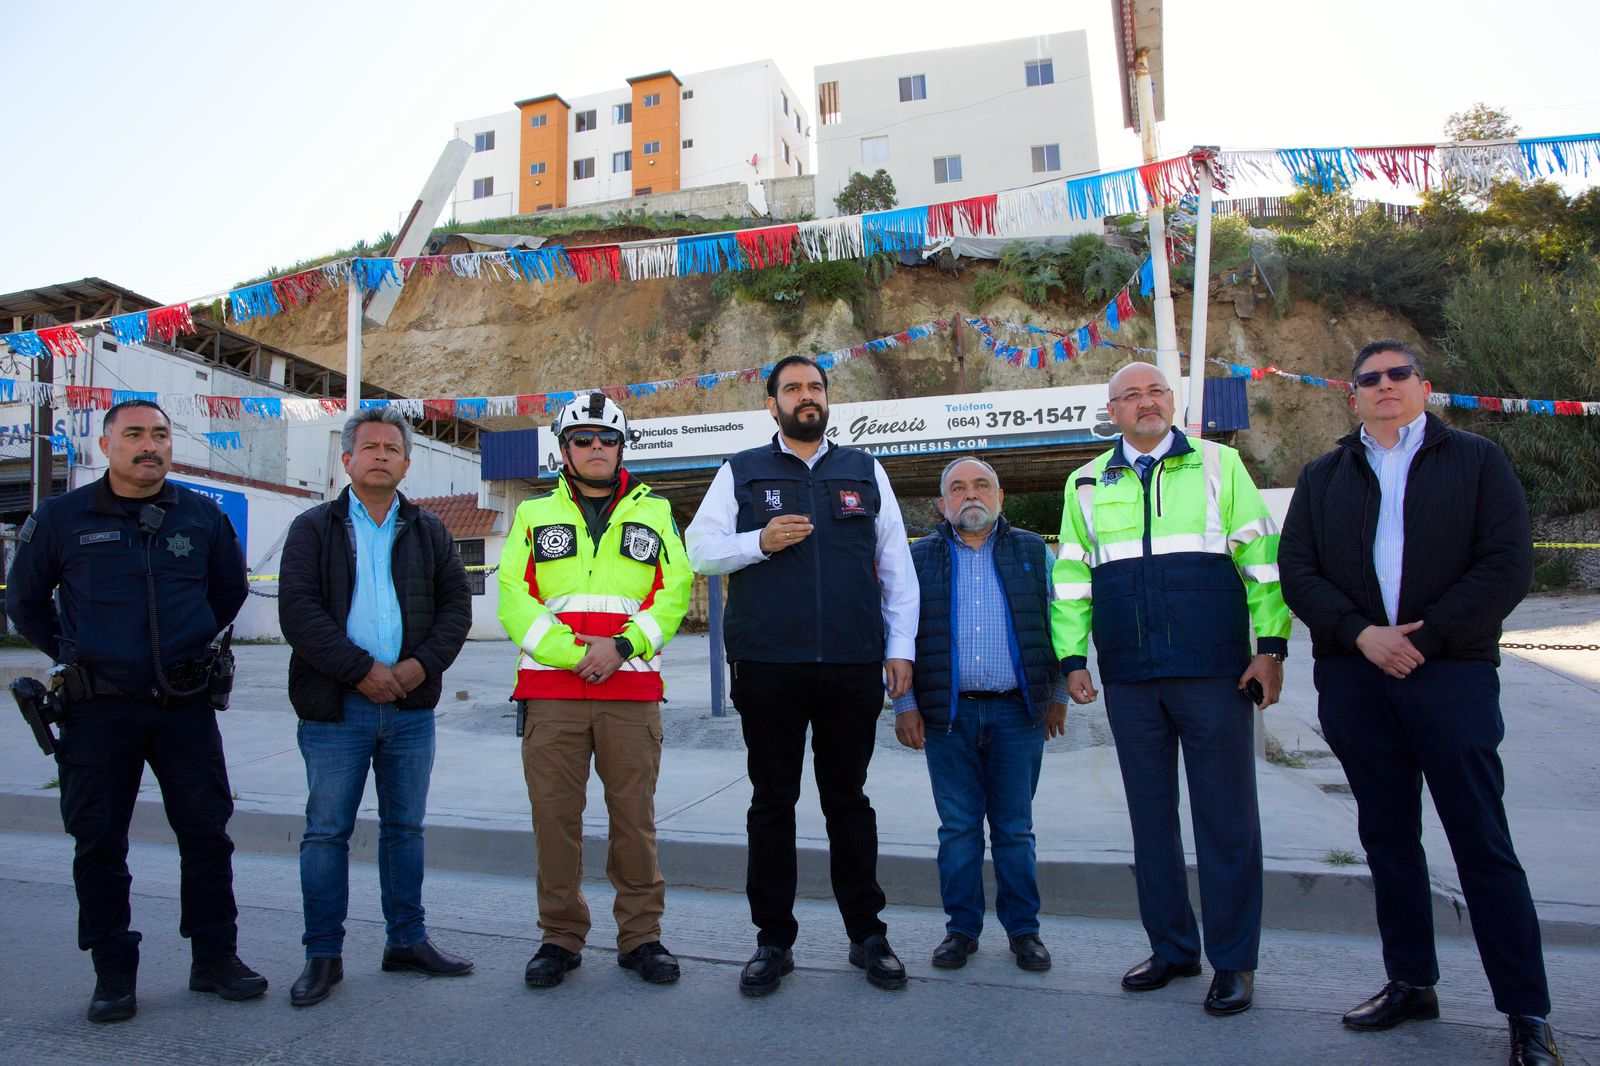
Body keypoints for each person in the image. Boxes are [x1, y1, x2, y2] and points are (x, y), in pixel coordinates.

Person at [1278, 340, 1563, 1066]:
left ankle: (1526, 1012)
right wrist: (1361, 635)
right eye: (1369, 379)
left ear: (1424, 386)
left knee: (1482, 845)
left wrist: (1427, 639)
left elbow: (1506, 565)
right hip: (1357, 678)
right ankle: (1411, 980)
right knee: (1388, 840)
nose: (1385, 387)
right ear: (1353, 396)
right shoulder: (1323, 475)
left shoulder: (1476, 461)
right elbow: (1298, 571)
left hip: (1450, 677)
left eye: (1398, 375)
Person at [5, 399, 265, 1022]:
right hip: (99, 709)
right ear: (106, 445)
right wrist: (75, 652)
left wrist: (186, 643)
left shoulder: (202, 516)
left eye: (160, 435)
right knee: (98, 842)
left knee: (207, 834)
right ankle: (113, 973)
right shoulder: (62, 517)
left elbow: (227, 591)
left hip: (186, 705)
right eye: (134, 435)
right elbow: (25, 601)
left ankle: (214, 958)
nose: (149, 445)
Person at [1052, 361, 1289, 1016]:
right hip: (1131, 678)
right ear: (1113, 411)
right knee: (1150, 824)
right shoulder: (1085, 483)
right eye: (1129, 396)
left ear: (1172, 400)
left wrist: (1270, 650)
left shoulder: (1218, 466)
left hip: (1215, 674)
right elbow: (1071, 579)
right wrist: (1074, 658)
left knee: (1227, 823)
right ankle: (1173, 948)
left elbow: (1261, 564)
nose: (1144, 402)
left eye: (1154, 391)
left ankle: (1234, 962)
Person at [686, 355, 919, 997]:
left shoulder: (865, 470)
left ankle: (867, 934)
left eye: (814, 387)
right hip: (768, 667)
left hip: (850, 665)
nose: (805, 397)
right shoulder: (740, 471)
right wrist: (757, 542)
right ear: (772, 404)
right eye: (792, 389)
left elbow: (895, 565)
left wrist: (900, 647)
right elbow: (698, 548)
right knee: (772, 803)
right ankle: (772, 941)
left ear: (827, 398)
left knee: (848, 801)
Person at [278, 406, 473, 1008]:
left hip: (411, 710)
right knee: (326, 832)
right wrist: (363, 672)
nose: (381, 455)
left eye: (393, 448)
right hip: (337, 708)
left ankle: (406, 940)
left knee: (405, 830)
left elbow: (455, 611)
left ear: (407, 463)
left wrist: (415, 669)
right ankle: (322, 954)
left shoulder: (431, 530)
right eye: (370, 447)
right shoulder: (313, 528)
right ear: (347, 460)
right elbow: (300, 616)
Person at [498, 392, 692, 989]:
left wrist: (623, 647)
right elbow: (512, 595)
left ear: (621, 448)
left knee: (634, 821)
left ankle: (641, 938)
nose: (596, 449)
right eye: (583, 439)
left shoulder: (655, 511)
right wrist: (577, 654)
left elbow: (675, 589)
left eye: (607, 439)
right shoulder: (533, 514)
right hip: (551, 694)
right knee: (555, 821)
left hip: (631, 696)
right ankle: (559, 936)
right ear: (564, 450)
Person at [893, 457, 1066, 973]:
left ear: (1000, 496)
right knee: (958, 828)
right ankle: (961, 930)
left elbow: (1062, 623)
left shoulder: (1034, 552)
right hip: (948, 717)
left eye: (982, 486)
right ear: (941, 503)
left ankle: (1024, 932)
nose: (971, 496)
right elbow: (896, 633)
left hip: (1018, 714)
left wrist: (1056, 692)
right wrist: (904, 704)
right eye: (959, 489)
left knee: (1014, 829)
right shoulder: (917, 559)